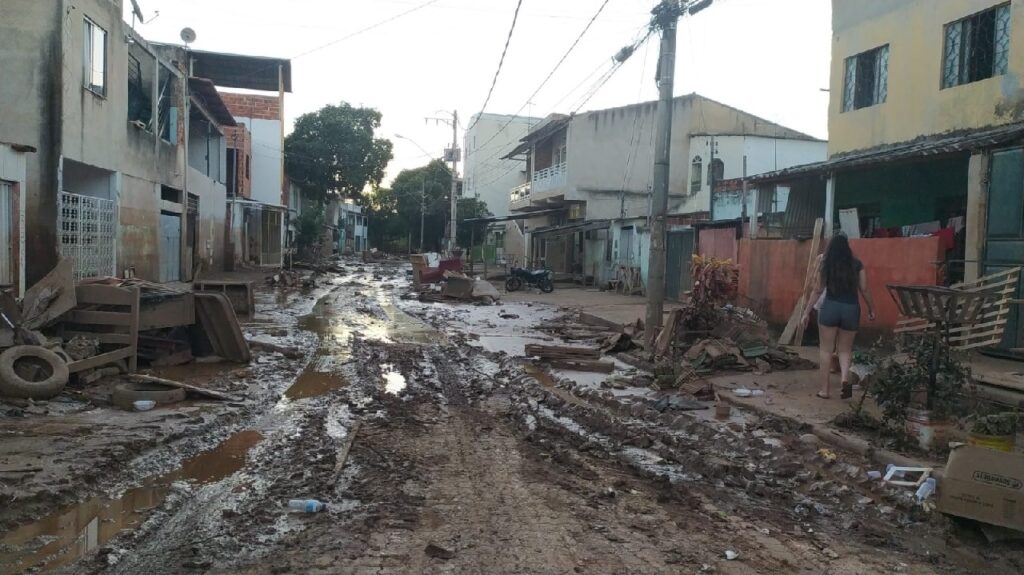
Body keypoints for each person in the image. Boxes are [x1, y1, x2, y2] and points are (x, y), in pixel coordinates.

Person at [803, 234, 876, 399]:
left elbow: (817, 290)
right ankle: (844, 380)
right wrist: (872, 308)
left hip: (830, 308)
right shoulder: (857, 264)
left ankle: (824, 390)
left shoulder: (826, 264)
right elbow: (864, 288)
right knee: (845, 350)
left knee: (826, 350)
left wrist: (807, 312)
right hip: (851, 309)